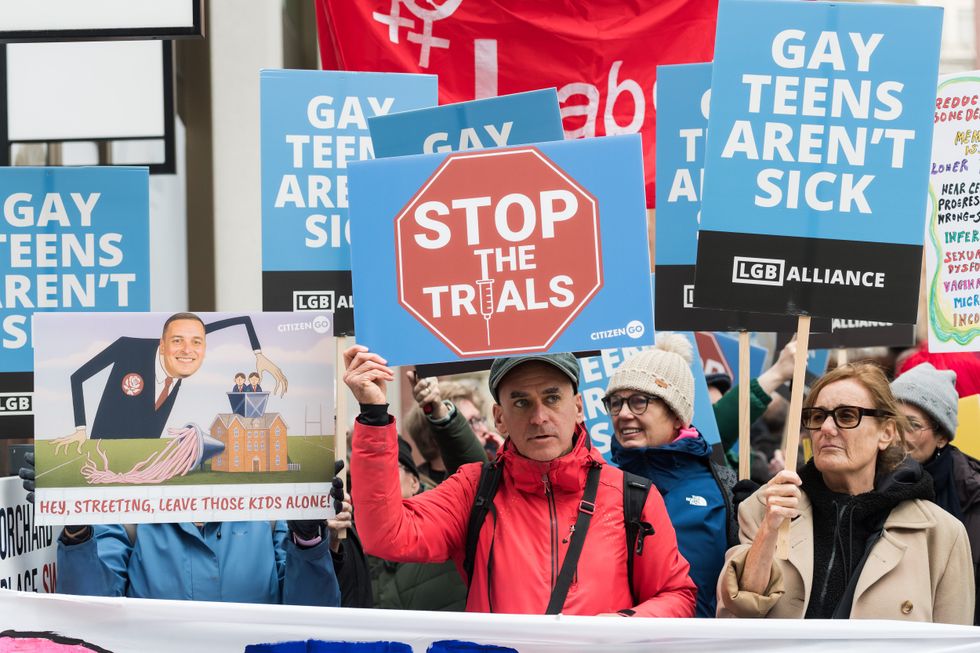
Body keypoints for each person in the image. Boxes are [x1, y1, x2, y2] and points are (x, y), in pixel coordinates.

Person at [345, 345, 696, 616]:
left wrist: (624, 625)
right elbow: (386, 535)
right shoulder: (474, 489)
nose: (539, 416)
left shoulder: (630, 495)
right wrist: (374, 415)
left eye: (552, 398)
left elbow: (677, 596)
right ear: (499, 417)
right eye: (522, 402)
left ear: (577, 407)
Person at [717, 363, 975, 623]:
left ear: (886, 433)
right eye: (817, 417)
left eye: (848, 416)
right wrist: (767, 533)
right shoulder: (767, 506)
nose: (826, 428)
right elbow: (735, 617)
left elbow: (953, 641)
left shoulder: (941, 535)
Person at [18, 453, 346, 606]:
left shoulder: (267, 509)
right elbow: (86, 609)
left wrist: (308, 538)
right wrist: (78, 531)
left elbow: (314, 611)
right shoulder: (125, 508)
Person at [604, 333, 736, 618]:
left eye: (639, 401)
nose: (623, 414)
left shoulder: (723, 487)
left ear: (677, 416)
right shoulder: (602, 486)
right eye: (615, 403)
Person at [53, 313, 288, 453]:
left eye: (197, 342)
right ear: (163, 345)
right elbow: (77, 377)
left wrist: (259, 354)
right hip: (102, 450)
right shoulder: (127, 347)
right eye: (177, 341)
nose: (188, 350)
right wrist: (80, 430)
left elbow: (244, 320)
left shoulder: (185, 370)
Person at [891, 362, 980, 625]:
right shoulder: (862, 480)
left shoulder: (972, 493)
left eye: (911, 425)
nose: (896, 436)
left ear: (942, 437)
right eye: (890, 421)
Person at [366, 438, 468, 611]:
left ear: (414, 483)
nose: (378, 479)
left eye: (390, 468)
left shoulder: (444, 521)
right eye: (368, 474)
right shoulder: (356, 536)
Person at [403, 373, 490, 482]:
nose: (485, 430)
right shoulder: (413, 491)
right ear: (435, 435)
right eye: (472, 421)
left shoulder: (497, 472)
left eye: (481, 420)